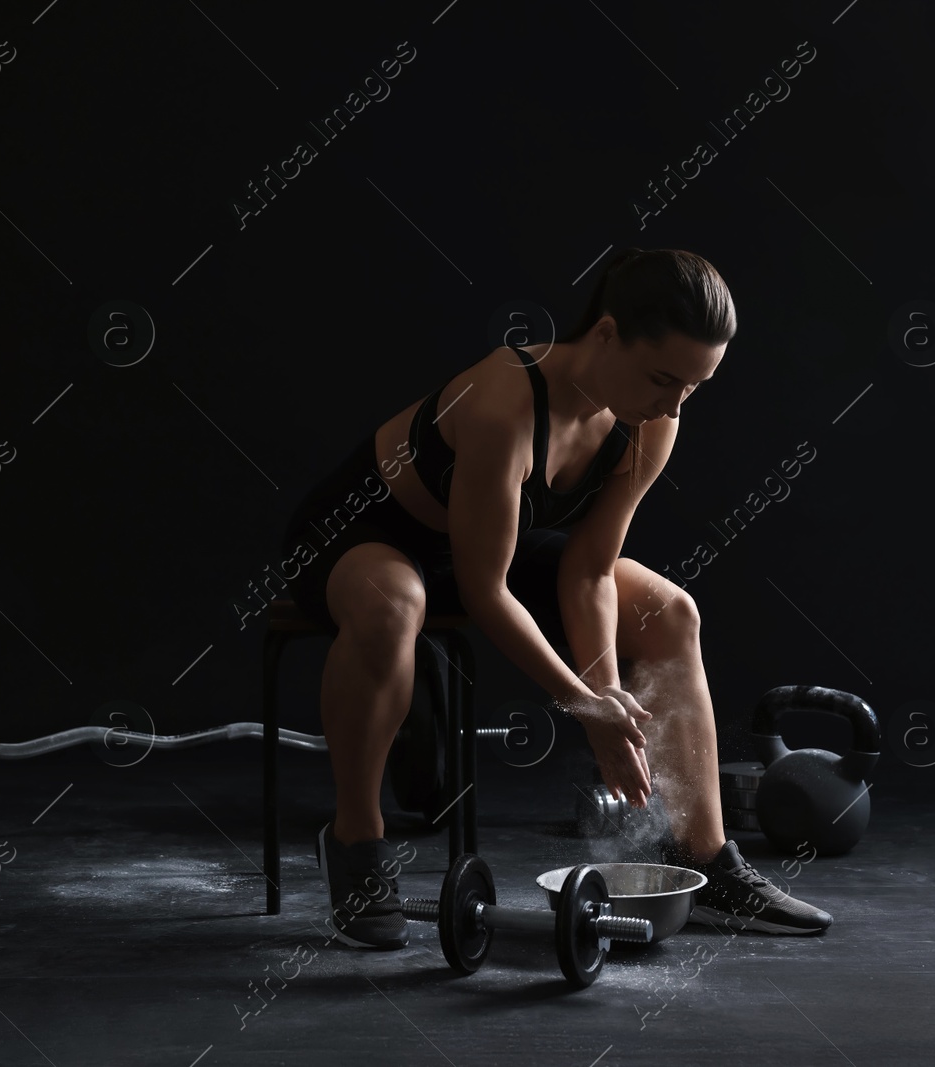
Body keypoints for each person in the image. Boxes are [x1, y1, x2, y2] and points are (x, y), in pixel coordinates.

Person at [280, 247, 833, 948]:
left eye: (694, 388)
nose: (672, 405)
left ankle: (706, 858)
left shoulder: (652, 420)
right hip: (367, 532)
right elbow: (484, 591)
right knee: (395, 605)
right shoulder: (501, 402)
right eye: (663, 378)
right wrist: (578, 701)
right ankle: (357, 837)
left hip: (483, 546)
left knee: (670, 614)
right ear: (605, 334)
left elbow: (589, 571)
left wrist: (604, 701)